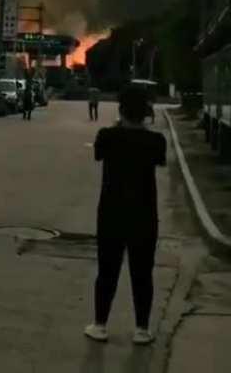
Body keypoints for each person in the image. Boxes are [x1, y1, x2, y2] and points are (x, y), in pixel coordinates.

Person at [84, 84, 166, 345]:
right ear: (146, 112)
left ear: (120, 109)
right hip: (144, 214)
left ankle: (100, 325)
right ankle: (142, 329)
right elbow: (159, 162)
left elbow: (99, 156)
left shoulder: (107, 136)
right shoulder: (156, 141)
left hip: (111, 213)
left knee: (107, 270)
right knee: (142, 272)